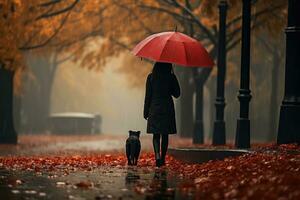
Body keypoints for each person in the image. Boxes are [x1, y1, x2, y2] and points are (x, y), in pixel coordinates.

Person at [143, 62, 180, 167]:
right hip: (167, 108)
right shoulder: (171, 77)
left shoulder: (151, 77)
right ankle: (163, 158)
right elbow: (177, 94)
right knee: (165, 134)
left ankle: (157, 156)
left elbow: (148, 97)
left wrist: (145, 111)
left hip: (154, 108)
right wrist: (173, 79)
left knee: (156, 134)